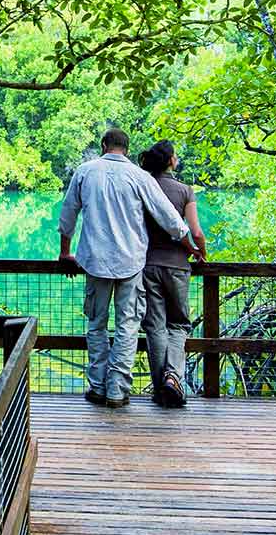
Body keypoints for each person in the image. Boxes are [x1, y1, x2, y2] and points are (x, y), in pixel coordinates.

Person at [58, 129, 192, 408]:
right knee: (127, 327)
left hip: (94, 261)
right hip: (131, 262)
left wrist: (65, 252)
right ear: (127, 149)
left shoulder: (85, 172)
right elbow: (168, 216)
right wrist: (188, 244)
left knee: (96, 325)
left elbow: (68, 212)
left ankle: (97, 386)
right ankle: (117, 391)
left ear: (103, 145)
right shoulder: (139, 176)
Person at [138, 141, 206, 408]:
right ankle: (173, 378)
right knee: (178, 324)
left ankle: (160, 389)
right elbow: (196, 232)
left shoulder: (143, 187)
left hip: (147, 265)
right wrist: (201, 253)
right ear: (170, 161)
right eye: (176, 156)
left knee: (154, 326)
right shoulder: (184, 191)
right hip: (177, 265)